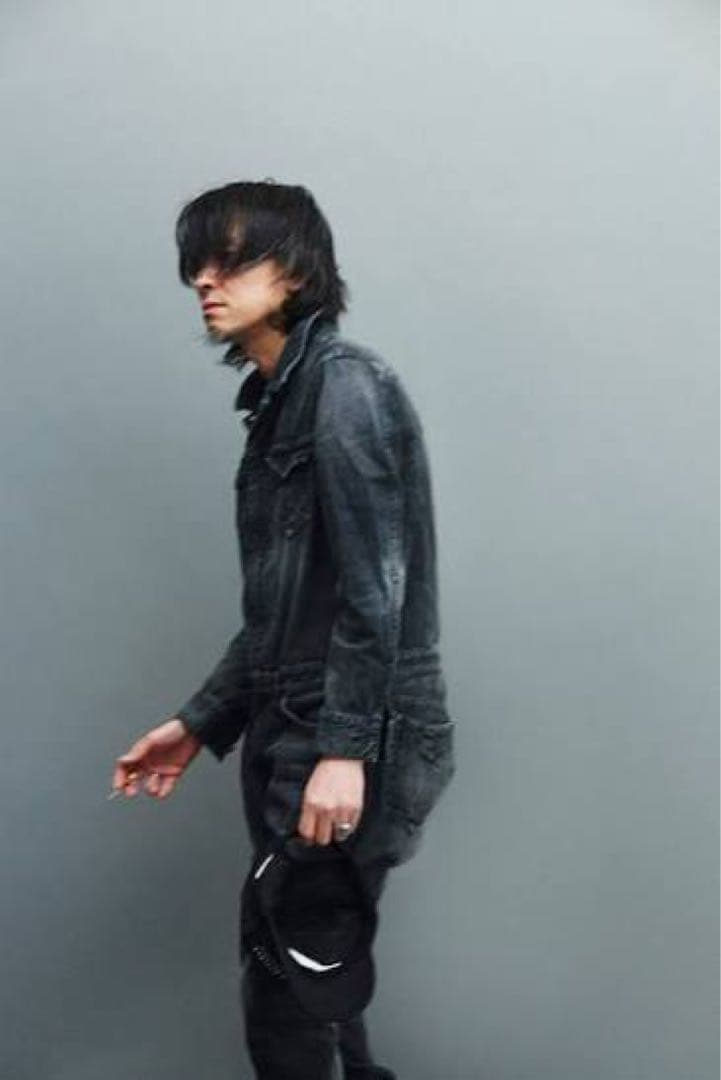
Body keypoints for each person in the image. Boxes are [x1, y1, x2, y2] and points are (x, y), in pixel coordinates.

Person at [111, 179, 455, 1079]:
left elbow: (377, 594)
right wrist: (198, 724)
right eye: (197, 264)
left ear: (296, 272)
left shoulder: (344, 391)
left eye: (230, 260)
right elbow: (282, 614)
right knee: (316, 978)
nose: (204, 280)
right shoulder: (278, 406)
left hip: (350, 733)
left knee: (288, 991)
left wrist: (344, 750)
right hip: (295, 724)